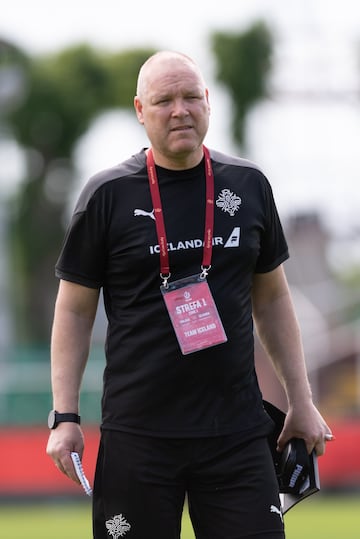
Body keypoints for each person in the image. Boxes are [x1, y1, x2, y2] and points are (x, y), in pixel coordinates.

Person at [46, 50, 332, 539]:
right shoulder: (107, 195)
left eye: (190, 97)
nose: (179, 110)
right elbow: (73, 310)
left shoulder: (248, 185)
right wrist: (64, 416)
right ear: (140, 110)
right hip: (139, 434)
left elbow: (272, 300)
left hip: (237, 433)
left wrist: (301, 401)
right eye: (163, 101)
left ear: (208, 103)